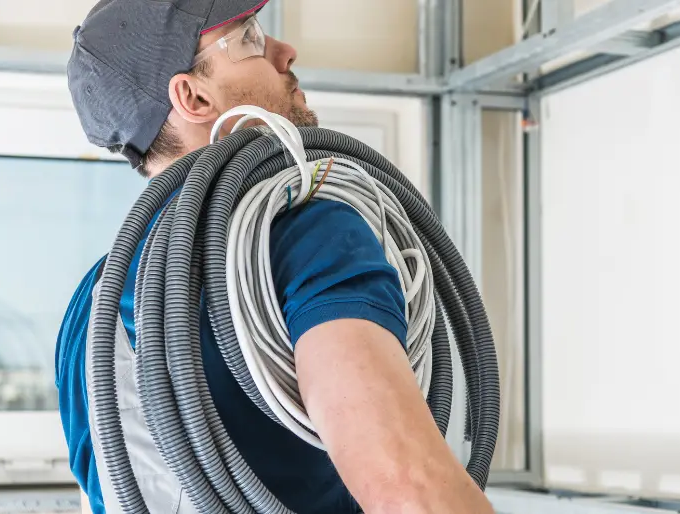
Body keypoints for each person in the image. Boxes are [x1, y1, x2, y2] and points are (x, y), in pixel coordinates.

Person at [53, 1, 495, 513]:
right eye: (249, 39)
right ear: (193, 96)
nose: (285, 52)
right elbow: (410, 491)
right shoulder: (300, 234)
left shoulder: (89, 307)